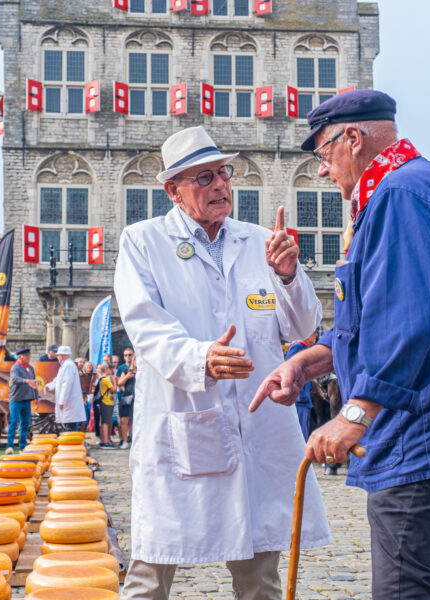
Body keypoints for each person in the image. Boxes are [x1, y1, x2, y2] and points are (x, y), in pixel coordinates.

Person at [251, 90, 430, 599]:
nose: (323, 172)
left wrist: (354, 414)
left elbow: (413, 322)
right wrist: (312, 359)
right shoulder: (412, 187)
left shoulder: (399, 194)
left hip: (426, 440)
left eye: (324, 155)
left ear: (353, 138)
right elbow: (378, 317)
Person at [114, 125, 329, 600]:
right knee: (151, 571)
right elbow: (145, 324)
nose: (220, 185)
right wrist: (199, 357)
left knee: (260, 575)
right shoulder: (144, 241)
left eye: (224, 174)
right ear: (173, 190)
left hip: (257, 424)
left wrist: (290, 276)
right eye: (204, 177)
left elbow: (300, 326)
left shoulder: (259, 242)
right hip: (183, 419)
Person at [284, 331, 319, 441]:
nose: (316, 335)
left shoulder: (303, 348)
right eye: (314, 333)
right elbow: (289, 370)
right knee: (300, 434)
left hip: (304, 398)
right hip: (300, 399)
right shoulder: (298, 347)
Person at [45, 346, 85, 432]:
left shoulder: (68, 366)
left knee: (70, 426)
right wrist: (49, 386)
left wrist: (62, 401)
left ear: (63, 356)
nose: (57, 357)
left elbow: (66, 384)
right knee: (69, 424)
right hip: (68, 402)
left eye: (58, 355)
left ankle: (72, 444)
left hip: (69, 402)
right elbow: (58, 380)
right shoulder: (65, 366)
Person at [6, 348, 38, 454]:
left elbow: (34, 384)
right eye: (27, 356)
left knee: (25, 423)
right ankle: (9, 446)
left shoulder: (31, 368)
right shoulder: (15, 367)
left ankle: (22, 446)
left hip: (27, 400)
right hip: (16, 400)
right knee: (14, 422)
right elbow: (14, 379)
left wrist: (36, 398)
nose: (29, 358)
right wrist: (26, 381)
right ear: (20, 357)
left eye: (29, 356)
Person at [116, 347, 136, 448]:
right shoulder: (122, 369)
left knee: (136, 420)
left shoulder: (140, 368)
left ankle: (134, 440)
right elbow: (119, 383)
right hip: (126, 397)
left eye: (130, 355)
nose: (128, 357)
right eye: (126, 355)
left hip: (138, 397)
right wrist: (127, 376)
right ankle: (125, 441)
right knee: (124, 420)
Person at [94, 363, 117, 448]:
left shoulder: (102, 378)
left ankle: (106, 439)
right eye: (110, 369)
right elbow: (114, 390)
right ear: (106, 369)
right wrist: (114, 381)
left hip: (107, 402)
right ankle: (105, 440)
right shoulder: (106, 379)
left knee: (107, 421)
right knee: (105, 422)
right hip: (106, 402)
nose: (112, 371)